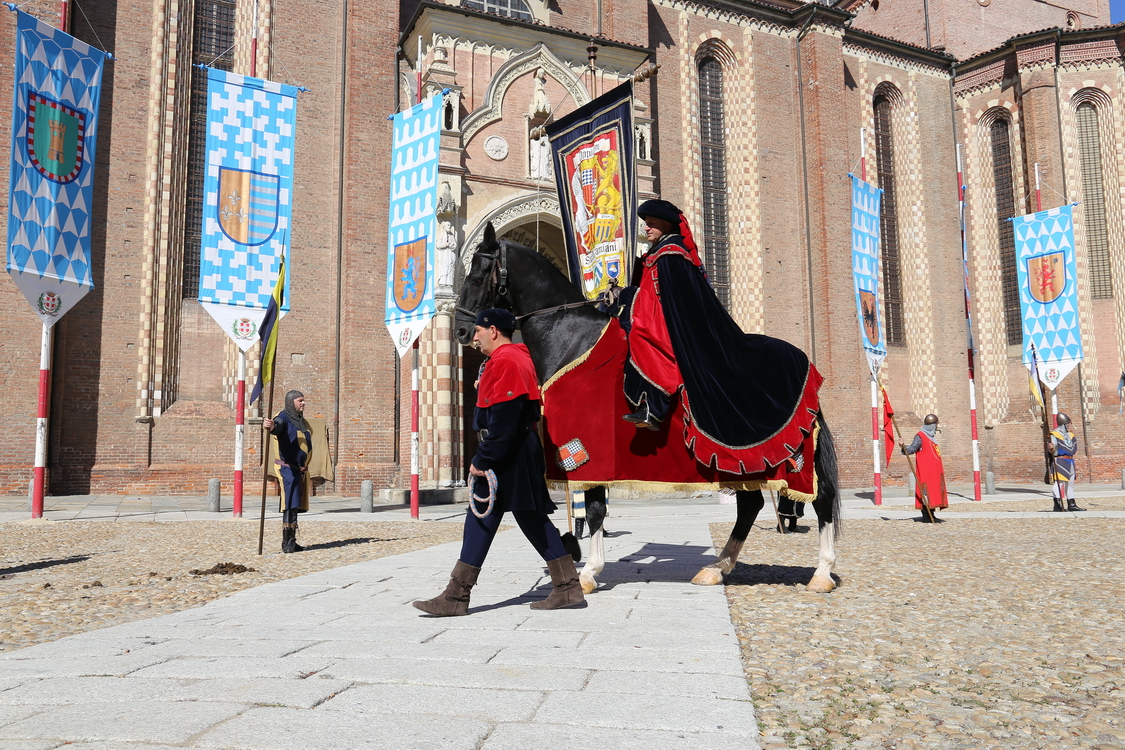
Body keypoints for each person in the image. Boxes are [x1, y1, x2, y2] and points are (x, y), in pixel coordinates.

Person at [612, 199, 823, 476]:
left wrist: (628, 297)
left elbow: (662, 300)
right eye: (646, 222)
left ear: (666, 224)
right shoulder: (660, 253)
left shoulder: (671, 255)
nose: (646, 227)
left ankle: (654, 407)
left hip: (672, 326)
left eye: (651, 222)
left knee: (646, 342)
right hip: (662, 318)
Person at [413, 308, 585, 616]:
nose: (474, 336)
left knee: (482, 516)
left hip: (508, 451)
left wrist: (484, 457)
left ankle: (456, 596)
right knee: (526, 517)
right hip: (518, 449)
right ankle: (568, 587)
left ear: (494, 331)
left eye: (478, 330)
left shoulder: (505, 361)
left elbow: (504, 418)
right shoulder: (514, 359)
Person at [263, 390, 312, 552]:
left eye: (303, 401)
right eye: (300, 401)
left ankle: (292, 539)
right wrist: (271, 426)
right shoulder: (283, 416)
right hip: (287, 470)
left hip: (298, 470)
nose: (303, 403)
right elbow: (277, 426)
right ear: (291, 402)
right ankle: (287, 543)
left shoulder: (300, 420)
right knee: (289, 503)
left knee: (295, 504)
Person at [901, 414, 949, 522]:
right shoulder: (920, 436)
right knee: (926, 493)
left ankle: (932, 514)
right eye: (935, 425)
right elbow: (912, 449)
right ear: (932, 425)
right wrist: (903, 446)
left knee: (934, 492)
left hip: (935, 472)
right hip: (926, 471)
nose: (937, 427)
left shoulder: (931, 436)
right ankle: (926, 516)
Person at [1049, 413, 1085, 512]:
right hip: (1060, 460)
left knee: (1070, 484)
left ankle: (1071, 504)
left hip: (1070, 460)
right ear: (1064, 424)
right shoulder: (1054, 435)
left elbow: (1073, 447)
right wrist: (1051, 447)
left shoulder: (1070, 435)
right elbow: (1052, 449)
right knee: (1059, 483)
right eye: (1068, 423)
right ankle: (1057, 504)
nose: (1069, 425)